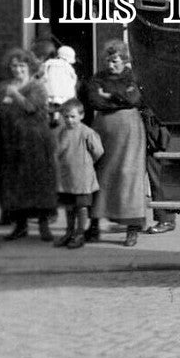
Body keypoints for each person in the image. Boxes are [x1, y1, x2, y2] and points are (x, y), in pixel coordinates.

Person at [86, 40, 147, 247]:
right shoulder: (98, 78)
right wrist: (118, 96)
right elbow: (94, 100)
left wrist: (110, 94)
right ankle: (94, 225)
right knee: (100, 175)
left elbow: (133, 99)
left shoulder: (132, 76)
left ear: (124, 60)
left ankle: (132, 229)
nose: (111, 65)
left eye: (115, 61)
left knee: (128, 176)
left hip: (129, 133)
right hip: (103, 130)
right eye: (108, 61)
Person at [0, 48, 58, 242]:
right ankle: (20, 226)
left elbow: (31, 107)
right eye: (14, 65)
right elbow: (1, 114)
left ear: (29, 67)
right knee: (15, 184)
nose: (17, 69)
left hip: (35, 141)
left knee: (39, 182)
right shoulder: (4, 86)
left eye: (21, 65)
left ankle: (43, 227)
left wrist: (15, 95)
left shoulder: (37, 86)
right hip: (13, 141)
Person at [52, 98, 103, 249]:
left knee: (81, 206)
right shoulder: (60, 133)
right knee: (68, 206)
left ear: (81, 115)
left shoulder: (87, 132)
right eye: (66, 117)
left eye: (73, 116)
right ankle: (69, 232)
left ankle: (80, 233)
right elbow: (56, 152)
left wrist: (86, 163)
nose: (69, 120)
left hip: (82, 178)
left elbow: (98, 151)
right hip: (66, 178)